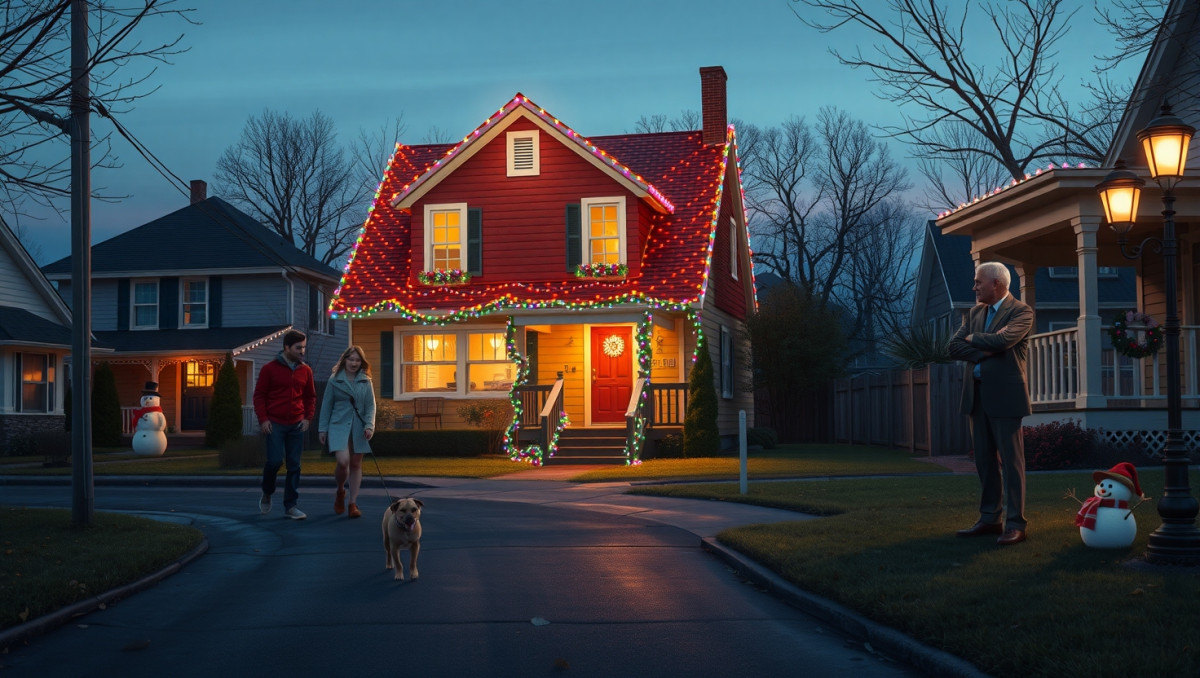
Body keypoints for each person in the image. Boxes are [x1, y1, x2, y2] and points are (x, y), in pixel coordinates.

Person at [947, 262, 1034, 546]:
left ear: (995, 283)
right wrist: (988, 347)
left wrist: (979, 341)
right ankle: (989, 519)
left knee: (1011, 463)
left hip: (1006, 398)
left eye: (977, 283)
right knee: (984, 462)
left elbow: (1006, 339)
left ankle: (1015, 524)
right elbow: (954, 347)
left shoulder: (1021, 311)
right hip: (977, 396)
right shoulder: (974, 313)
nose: (974, 288)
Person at [253, 329, 317, 520]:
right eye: (298, 348)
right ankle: (267, 492)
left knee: (294, 466)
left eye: (304, 347)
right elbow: (259, 396)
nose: (302, 351)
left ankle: (291, 506)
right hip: (275, 424)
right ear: (287, 347)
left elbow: (310, 397)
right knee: (274, 461)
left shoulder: (306, 370)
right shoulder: (269, 369)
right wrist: (263, 419)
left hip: (297, 424)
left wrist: (307, 418)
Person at [318, 345, 377, 519]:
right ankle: (340, 490)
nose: (354, 363)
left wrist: (369, 426)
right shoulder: (334, 380)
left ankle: (352, 502)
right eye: (351, 359)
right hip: (338, 425)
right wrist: (323, 429)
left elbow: (370, 406)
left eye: (358, 360)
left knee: (356, 463)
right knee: (343, 461)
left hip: (359, 426)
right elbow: (326, 405)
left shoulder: (366, 380)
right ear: (344, 360)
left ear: (362, 362)